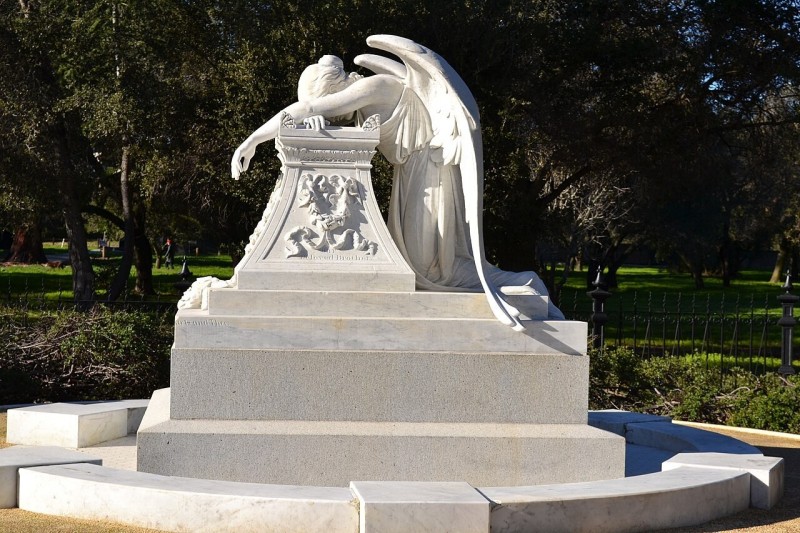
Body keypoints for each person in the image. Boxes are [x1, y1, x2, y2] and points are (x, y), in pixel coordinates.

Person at [232, 36, 564, 327]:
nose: (336, 117)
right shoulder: (367, 97)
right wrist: (317, 119)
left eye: (333, 108)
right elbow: (316, 114)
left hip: (431, 173)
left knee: (433, 269)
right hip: (412, 175)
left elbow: (305, 108)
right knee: (419, 267)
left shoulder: (371, 86)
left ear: (334, 90)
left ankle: (521, 283)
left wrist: (252, 141)